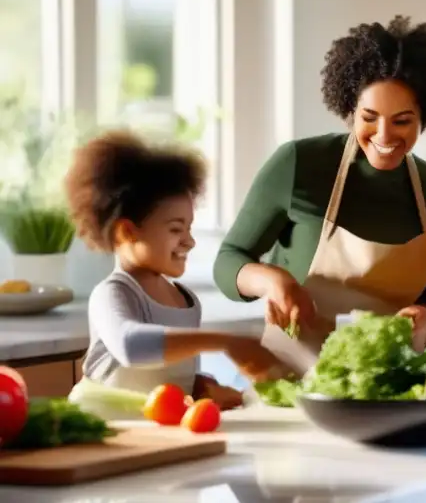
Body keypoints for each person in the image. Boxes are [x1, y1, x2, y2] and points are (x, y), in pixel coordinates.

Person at [215, 16, 426, 368]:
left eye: (402, 121)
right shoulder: (299, 165)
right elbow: (229, 259)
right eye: (369, 117)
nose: (383, 136)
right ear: (349, 108)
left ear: (424, 117)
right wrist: (272, 281)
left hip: (387, 380)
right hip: (286, 375)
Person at [65, 131, 286, 407]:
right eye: (175, 229)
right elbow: (130, 346)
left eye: (189, 228)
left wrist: (200, 384)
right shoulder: (113, 293)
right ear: (126, 232)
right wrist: (226, 341)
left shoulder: (185, 300)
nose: (189, 241)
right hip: (111, 429)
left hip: (164, 430)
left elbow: (171, 372)